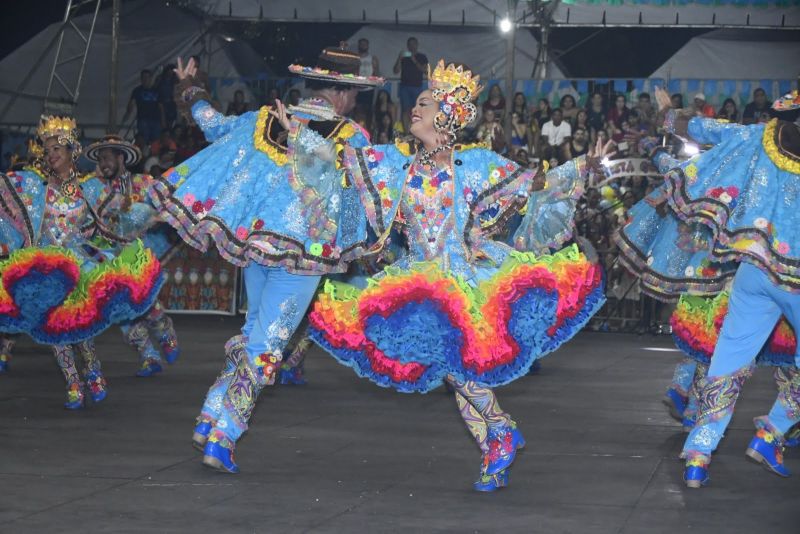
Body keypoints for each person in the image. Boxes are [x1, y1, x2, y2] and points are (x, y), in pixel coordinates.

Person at [309, 60, 608, 492]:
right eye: (416, 103)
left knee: (456, 370)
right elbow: (341, 161)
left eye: (424, 103)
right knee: (453, 373)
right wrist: (300, 136)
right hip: (418, 282)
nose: (414, 109)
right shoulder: (398, 164)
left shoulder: (475, 165)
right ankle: (497, 443)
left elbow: (534, 183)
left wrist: (582, 167)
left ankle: (499, 436)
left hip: (463, 281)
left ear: (445, 116)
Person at [150, 48, 384, 474]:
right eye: (353, 95)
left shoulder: (263, 119)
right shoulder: (351, 136)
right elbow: (354, 204)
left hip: (257, 249)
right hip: (305, 258)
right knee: (268, 345)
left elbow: (211, 125)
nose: (353, 103)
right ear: (344, 94)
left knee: (254, 331)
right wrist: (360, 242)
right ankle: (224, 435)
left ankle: (210, 414)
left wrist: (190, 87)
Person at [618, 86, 800, 488]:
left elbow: (703, 128)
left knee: (729, 359)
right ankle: (772, 432)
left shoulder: (759, 136)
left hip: (753, 271)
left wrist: (670, 115)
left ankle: (699, 451)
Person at [0, 117, 163, 408]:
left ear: (72, 151)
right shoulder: (35, 188)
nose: (51, 155)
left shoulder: (90, 189)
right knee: (53, 328)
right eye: (47, 150)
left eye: (57, 149)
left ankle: (93, 371)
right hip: (47, 268)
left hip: (81, 262)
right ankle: (73, 382)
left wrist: (153, 213)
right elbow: (5, 199)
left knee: (79, 326)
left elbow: (119, 213)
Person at [82, 135, 180, 377]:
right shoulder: (96, 189)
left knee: (146, 302)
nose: (103, 163)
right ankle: (148, 355)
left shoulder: (143, 183)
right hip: (110, 257)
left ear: (121, 157)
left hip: (140, 253)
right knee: (120, 309)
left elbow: (165, 201)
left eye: (107, 157)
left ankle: (165, 333)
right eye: (100, 159)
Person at [393, 37, 428, 132]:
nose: (412, 46)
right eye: (410, 44)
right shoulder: (404, 57)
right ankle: (406, 132)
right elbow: (395, 71)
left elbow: (425, 71)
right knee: (405, 110)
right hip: (405, 87)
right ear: (407, 46)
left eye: (414, 44)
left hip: (417, 87)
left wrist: (414, 60)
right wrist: (399, 58)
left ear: (417, 45)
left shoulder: (422, 57)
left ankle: (416, 131)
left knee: (417, 110)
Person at [124, 69, 161, 143]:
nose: (145, 79)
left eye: (147, 77)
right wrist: (128, 113)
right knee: (144, 139)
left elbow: (161, 106)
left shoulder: (156, 90)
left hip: (156, 119)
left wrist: (163, 120)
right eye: (143, 77)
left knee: (156, 141)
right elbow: (132, 103)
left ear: (150, 78)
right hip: (143, 119)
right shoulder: (137, 90)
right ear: (141, 79)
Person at [355, 38, 380, 124]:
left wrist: (375, 67)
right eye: (361, 44)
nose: (363, 46)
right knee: (357, 111)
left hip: (369, 88)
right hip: (357, 89)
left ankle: (369, 131)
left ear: (368, 46)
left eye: (365, 44)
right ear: (359, 45)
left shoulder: (372, 58)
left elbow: (377, 75)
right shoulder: (354, 58)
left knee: (368, 111)